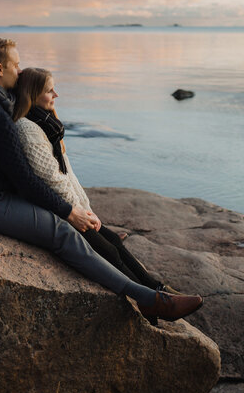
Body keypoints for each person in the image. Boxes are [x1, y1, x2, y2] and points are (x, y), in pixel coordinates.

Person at [0, 36, 203, 323]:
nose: (20, 71)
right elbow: (25, 181)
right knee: (63, 230)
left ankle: (144, 284)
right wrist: (70, 212)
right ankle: (147, 299)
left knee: (76, 224)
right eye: (16, 65)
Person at [13, 67, 178, 299]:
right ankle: (150, 301)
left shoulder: (47, 123)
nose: (56, 95)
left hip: (68, 206)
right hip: (57, 209)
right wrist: (78, 211)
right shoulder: (28, 128)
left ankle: (157, 288)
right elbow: (51, 179)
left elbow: (67, 173)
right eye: (50, 90)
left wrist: (86, 207)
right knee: (109, 251)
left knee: (112, 241)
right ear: (32, 93)